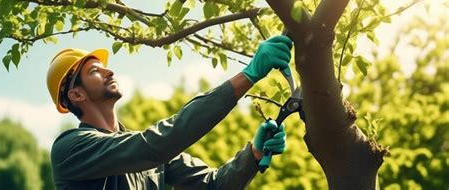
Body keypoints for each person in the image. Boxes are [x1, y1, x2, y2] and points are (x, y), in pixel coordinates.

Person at [46, 35, 293, 189]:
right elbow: (157, 144)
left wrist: (253, 154)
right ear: (76, 94)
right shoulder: (70, 149)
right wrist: (248, 76)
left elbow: (214, 185)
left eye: (105, 68)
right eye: (95, 71)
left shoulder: (143, 150)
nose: (109, 72)